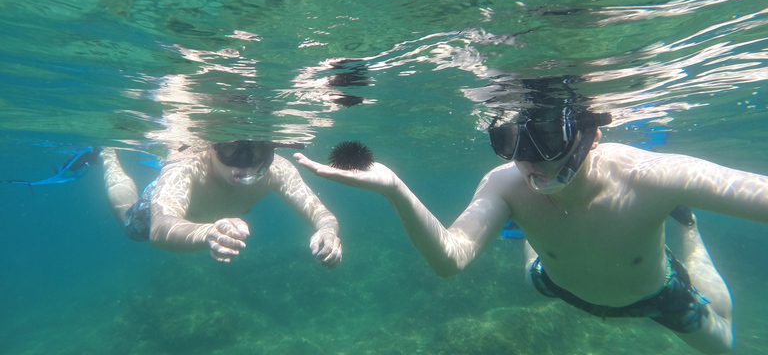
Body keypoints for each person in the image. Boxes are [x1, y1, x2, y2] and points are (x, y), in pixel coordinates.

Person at [294, 99, 768, 354]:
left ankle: (688, 231)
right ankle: (525, 230)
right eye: (509, 141)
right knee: (532, 274)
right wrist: (393, 187)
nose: (530, 163)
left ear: (591, 133)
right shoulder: (506, 181)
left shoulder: (655, 177)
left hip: (654, 293)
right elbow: (450, 259)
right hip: (557, 282)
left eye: (545, 139)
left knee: (723, 339)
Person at [102, 140, 342, 267]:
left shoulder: (278, 170)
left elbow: (321, 213)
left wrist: (328, 231)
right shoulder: (186, 166)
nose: (244, 165)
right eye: (229, 149)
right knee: (131, 227)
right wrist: (207, 232)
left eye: (257, 150)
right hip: (162, 204)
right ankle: (107, 156)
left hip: (214, 218)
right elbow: (160, 228)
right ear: (212, 146)